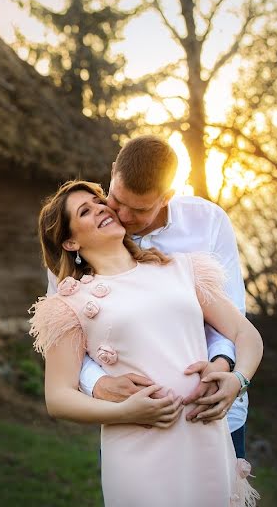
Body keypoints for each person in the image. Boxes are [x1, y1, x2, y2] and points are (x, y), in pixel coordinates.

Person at [30, 179, 262, 506]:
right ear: (69, 242)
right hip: (137, 448)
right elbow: (57, 397)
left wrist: (238, 379)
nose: (100, 209)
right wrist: (124, 411)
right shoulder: (70, 304)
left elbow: (245, 334)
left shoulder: (184, 268)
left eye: (99, 202)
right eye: (85, 211)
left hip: (205, 439)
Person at [45, 135, 250, 458]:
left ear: (168, 196)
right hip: (134, 428)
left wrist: (223, 367)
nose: (122, 216)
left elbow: (233, 316)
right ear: (113, 172)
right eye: (115, 199)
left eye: (138, 209)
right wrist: (98, 384)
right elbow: (68, 339)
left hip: (214, 412)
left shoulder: (207, 223)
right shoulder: (77, 256)